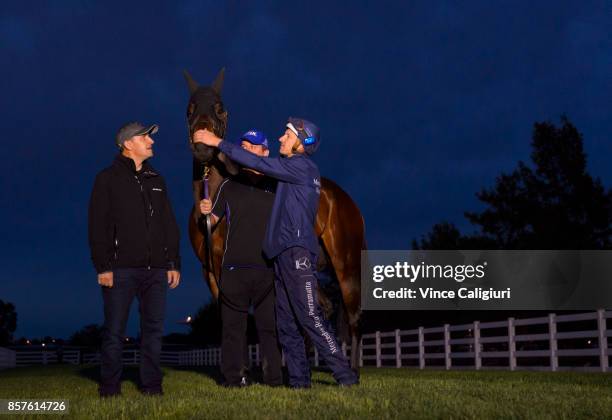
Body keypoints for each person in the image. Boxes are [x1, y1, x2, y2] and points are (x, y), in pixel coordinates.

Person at [194, 118, 358, 388]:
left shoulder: (301, 167)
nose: (281, 138)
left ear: (301, 143)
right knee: (286, 325)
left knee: (310, 317)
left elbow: (258, 163)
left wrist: (217, 143)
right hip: (281, 256)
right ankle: (298, 381)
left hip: (296, 253)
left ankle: (346, 376)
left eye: (286, 135)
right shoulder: (289, 172)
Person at [88, 122, 181, 397]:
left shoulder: (157, 180)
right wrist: (103, 266)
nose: (151, 142)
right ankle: (110, 389)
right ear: (128, 144)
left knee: (153, 332)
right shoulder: (106, 179)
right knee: (115, 332)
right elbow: (97, 226)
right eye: (145, 138)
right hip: (120, 270)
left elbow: (168, 224)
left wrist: (173, 262)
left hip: (156, 271)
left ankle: (152, 387)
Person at [199, 130, 282, 387]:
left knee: (269, 328)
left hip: (268, 270)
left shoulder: (278, 186)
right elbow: (212, 222)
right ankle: (234, 379)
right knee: (233, 329)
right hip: (234, 269)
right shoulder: (229, 185)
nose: (247, 149)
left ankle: (274, 379)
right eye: (243, 145)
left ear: (265, 153)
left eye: (253, 146)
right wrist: (205, 214)